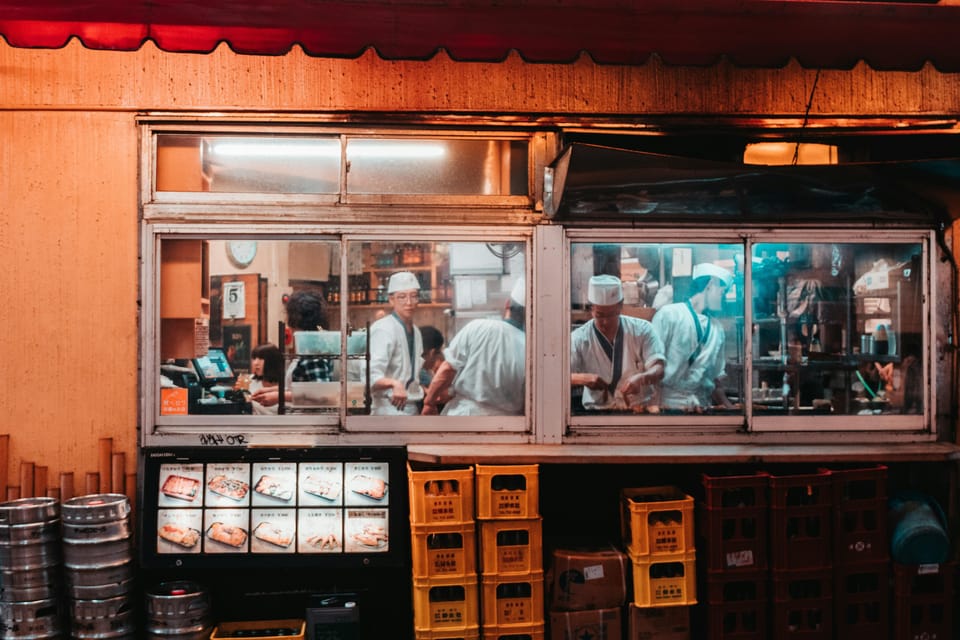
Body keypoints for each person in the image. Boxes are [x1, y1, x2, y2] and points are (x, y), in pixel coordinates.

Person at [422, 277, 526, 416]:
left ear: (507, 304)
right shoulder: (529, 346)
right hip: (508, 424)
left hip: (465, 416)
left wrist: (429, 402)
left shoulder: (478, 327)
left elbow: (447, 370)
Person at [571, 275, 665, 411]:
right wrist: (583, 378)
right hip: (597, 414)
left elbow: (659, 368)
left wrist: (642, 378)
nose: (606, 322)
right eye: (600, 315)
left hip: (638, 412)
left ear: (621, 306)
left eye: (612, 315)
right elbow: (558, 376)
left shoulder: (643, 330)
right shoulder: (579, 338)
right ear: (591, 309)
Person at [653, 263, 736, 412]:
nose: (722, 299)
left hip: (701, 406)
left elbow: (716, 381)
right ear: (711, 284)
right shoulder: (669, 315)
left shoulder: (717, 329)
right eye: (722, 292)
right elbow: (651, 365)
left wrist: (730, 408)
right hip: (669, 405)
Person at [250, 290, 331, 409]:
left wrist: (279, 396)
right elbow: (303, 386)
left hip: (310, 420)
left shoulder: (313, 352)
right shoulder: (307, 347)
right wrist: (272, 391)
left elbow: (320, 395)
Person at [369, 271, 424, 415]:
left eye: (413, 296)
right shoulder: (383, 329)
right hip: (388, 408)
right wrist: (394, 383)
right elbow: (370, 374)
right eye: (402, 297)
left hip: (412, 407)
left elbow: (411, 373)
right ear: (391, 300)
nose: (409, 302)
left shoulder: (416, 331)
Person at [245, 343, 283, 415]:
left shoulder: (286, 384)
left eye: (261, 358)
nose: (256, 363)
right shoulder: (249, 381)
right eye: (254, 358)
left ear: (273, 361)